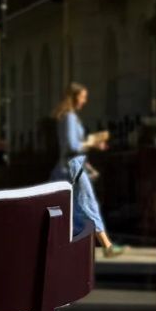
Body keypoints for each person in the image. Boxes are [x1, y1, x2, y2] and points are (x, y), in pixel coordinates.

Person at [50, 82, 126, 258]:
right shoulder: (69, 118)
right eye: (83, 96)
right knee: (88, 204)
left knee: (75, 207)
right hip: (72, 167)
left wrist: (89, 166)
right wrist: (93, 143)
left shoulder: (70, 117)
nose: (85, 100)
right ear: (75, 97)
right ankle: (107, 246)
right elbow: (72, 145)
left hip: (72, 166)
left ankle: (70, 247)